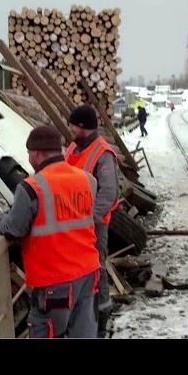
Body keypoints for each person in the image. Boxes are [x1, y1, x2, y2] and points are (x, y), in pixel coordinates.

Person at [0, 125, 100, 338]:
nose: (28, 158)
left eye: (29, 153)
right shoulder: (87, 180)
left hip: (55, 281)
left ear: (36, 153)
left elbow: (15, 228)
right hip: (88, 273)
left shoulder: (31, 187)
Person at [65, 105, 120, 338]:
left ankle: (101, 319)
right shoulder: (73, 147)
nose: (69, 128)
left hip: (92, 226)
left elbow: (109, 193)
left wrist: (88, 220)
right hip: (71, 224)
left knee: (97, 270)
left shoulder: (103, 153)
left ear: (83, 127)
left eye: (72, 125)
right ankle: (81, 317)